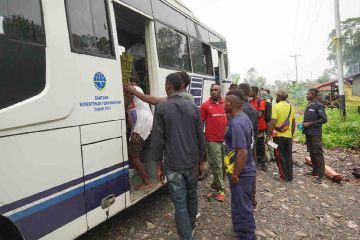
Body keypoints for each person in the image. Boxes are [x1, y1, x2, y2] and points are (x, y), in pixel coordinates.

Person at [151, 73, 206, 240]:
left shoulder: (161, 108)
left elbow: (157, 140)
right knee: (192, 195)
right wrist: (202, 161)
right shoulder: (193, 107)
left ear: (169, 87)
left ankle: (186, 236)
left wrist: (158, 166)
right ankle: (190, 228)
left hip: (173, 165)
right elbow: (200, 137)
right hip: (192, 164)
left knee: (180, 204)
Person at [223, 90, 256, 240]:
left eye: (225, 102)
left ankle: (247, 236)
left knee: (243, 207)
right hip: (243, 169)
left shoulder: (236, 123)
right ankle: (240, 230)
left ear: (231, 103)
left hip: (242, 172)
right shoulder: (243, 117)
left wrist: (235, 174)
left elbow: (242, 152)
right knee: (239, 204)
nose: (223, 104)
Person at [125, 75, 154, 190]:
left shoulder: (134, 90)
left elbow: (124, 104)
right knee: (137, 153)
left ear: (131, 83)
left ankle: (146, 181)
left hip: (140, 126)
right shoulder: (139, 89)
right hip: (145, 124)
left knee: (133, 155)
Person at [200, 84, 228, 201]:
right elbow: (201, 123)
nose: (214, 92)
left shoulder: (226, 104)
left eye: (216, 90)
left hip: (225, 139)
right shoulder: (205, 105)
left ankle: (216, 184)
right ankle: (221, 190)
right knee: (217, 164)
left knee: (225, 164)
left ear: (220, 91)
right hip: (212, 140)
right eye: (212, 90)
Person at [267, 90, 296, 182]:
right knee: (288, 156)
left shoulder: (275, 107)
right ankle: (290, 176)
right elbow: (293, 123)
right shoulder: (291, 107)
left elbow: (273, 122)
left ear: (279, 97)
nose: (276, 98)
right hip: (288, 136)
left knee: (279, 156)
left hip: (278, 136)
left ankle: (283, 176)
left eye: (277, 96)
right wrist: (291, 135)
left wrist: (268, 135)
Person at [238, 83, 259, 208]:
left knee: (239, 173)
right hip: (251, 147)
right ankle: (252, 200)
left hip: (240, 148)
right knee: (251, 174)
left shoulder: (238, 109)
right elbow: (255, 131)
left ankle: (243, 202)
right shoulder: (253, 110)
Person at [303, 88, 328, 184]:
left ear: (313, 95)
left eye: (308, 94)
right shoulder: (309, 104)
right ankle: (314, 171)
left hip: (315, 133)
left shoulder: (319, 105)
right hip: (308, 132)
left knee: (317, 153)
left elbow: (324, 119)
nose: (306, 95)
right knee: (311, 152)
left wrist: (310, 124)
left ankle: (321, 175)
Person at [123, 71, 194, 105]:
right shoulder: (179, 96)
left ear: (181, 84)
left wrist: (134, 91)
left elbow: (156, 101)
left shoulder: (185, 97)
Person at [250, 86, 268, 171]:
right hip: (252, 126)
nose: (249, 92)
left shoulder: (261, 102)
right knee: (254, 144)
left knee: (261, 145)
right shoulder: (250, 101)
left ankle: (263, 164)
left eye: (251, 91)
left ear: (255, 92)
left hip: (260, 127)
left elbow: (260, 114)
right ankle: (256, 161)